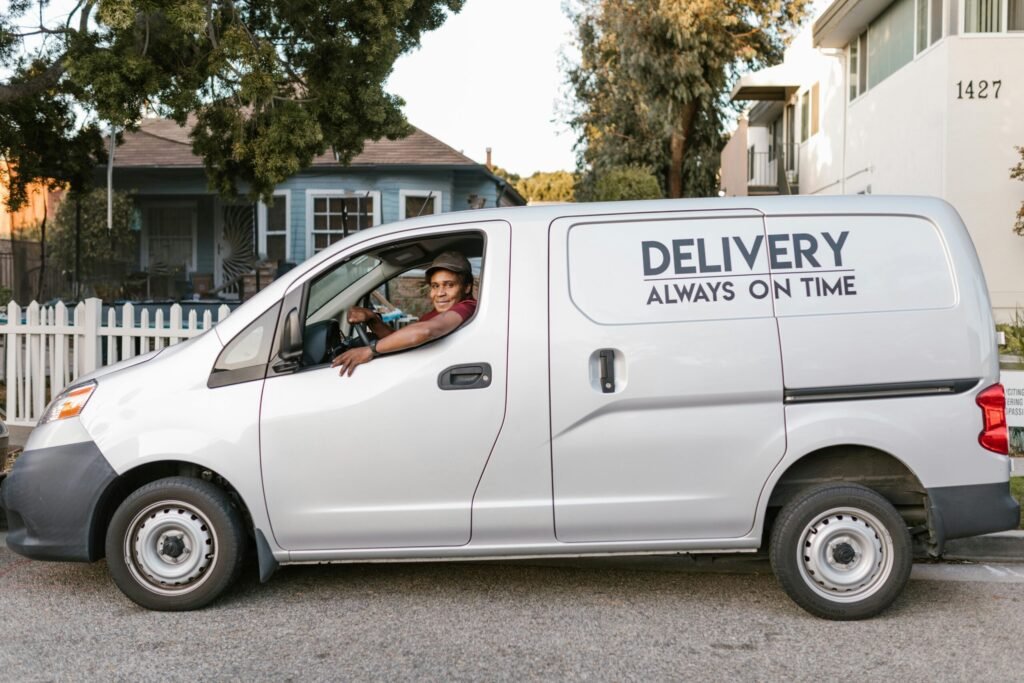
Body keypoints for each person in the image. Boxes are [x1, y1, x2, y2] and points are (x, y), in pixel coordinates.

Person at [332, 251, 477, 376]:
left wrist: (370, 350)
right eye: (435, 286)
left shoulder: (466, 307)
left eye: (449, 285)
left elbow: (424, 331)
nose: (440, 293)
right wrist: (372, 319)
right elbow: (399, 341)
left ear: (466, 287)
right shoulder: (440, 312)